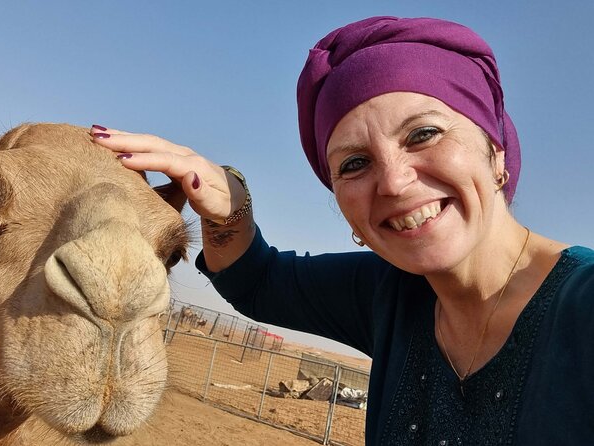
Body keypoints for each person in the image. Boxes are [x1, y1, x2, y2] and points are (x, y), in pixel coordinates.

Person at [90, 16, 594, 445]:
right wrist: (228, 203)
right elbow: (259, 282)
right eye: (354, 164)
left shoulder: (581, 306)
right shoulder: (392, 294)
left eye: (424, 133)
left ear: (496, 151)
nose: (394, 182)